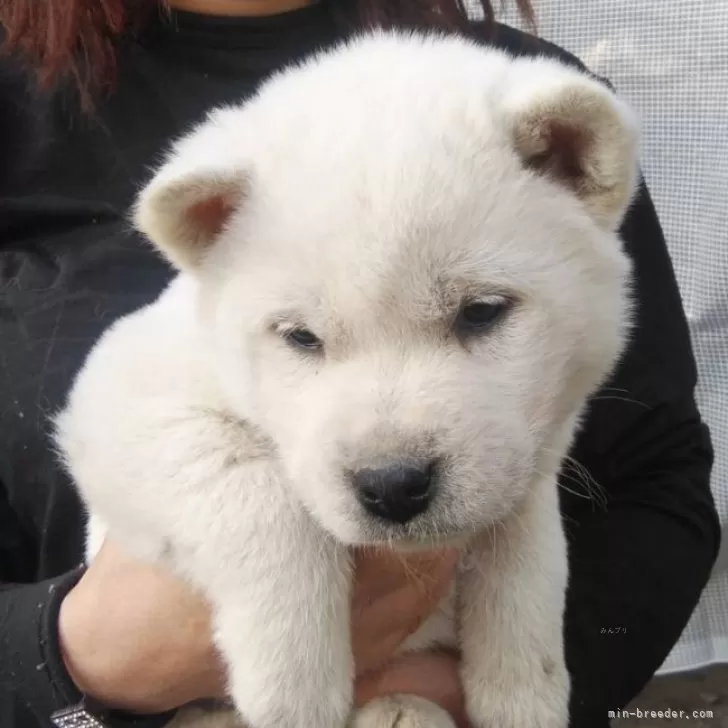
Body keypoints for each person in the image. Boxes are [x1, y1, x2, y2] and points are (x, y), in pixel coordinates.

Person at [0, 1, 721, 727]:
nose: (393, 451)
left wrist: (490, 693)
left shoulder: (512, 100)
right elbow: (127, 412)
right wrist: (70, 657)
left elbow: (654, 478)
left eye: (479, 313)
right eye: (306, 339)